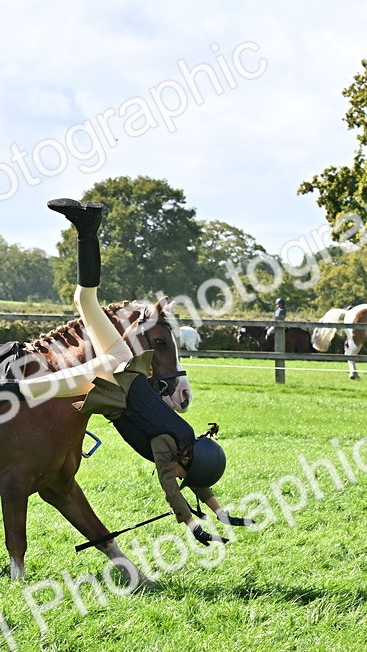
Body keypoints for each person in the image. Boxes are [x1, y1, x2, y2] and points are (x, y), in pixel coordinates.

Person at [46, 198, 240, 545]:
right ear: (186, 461)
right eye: (185, 473)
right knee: (36, 389)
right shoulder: (169, 451)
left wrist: (222, 513)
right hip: (108, 383)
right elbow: (173, 494)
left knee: (85, 301)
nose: (180, 476)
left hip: (126, 362)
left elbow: (197, 482)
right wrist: (197, 530)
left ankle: (87, 228)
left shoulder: (189, 440)